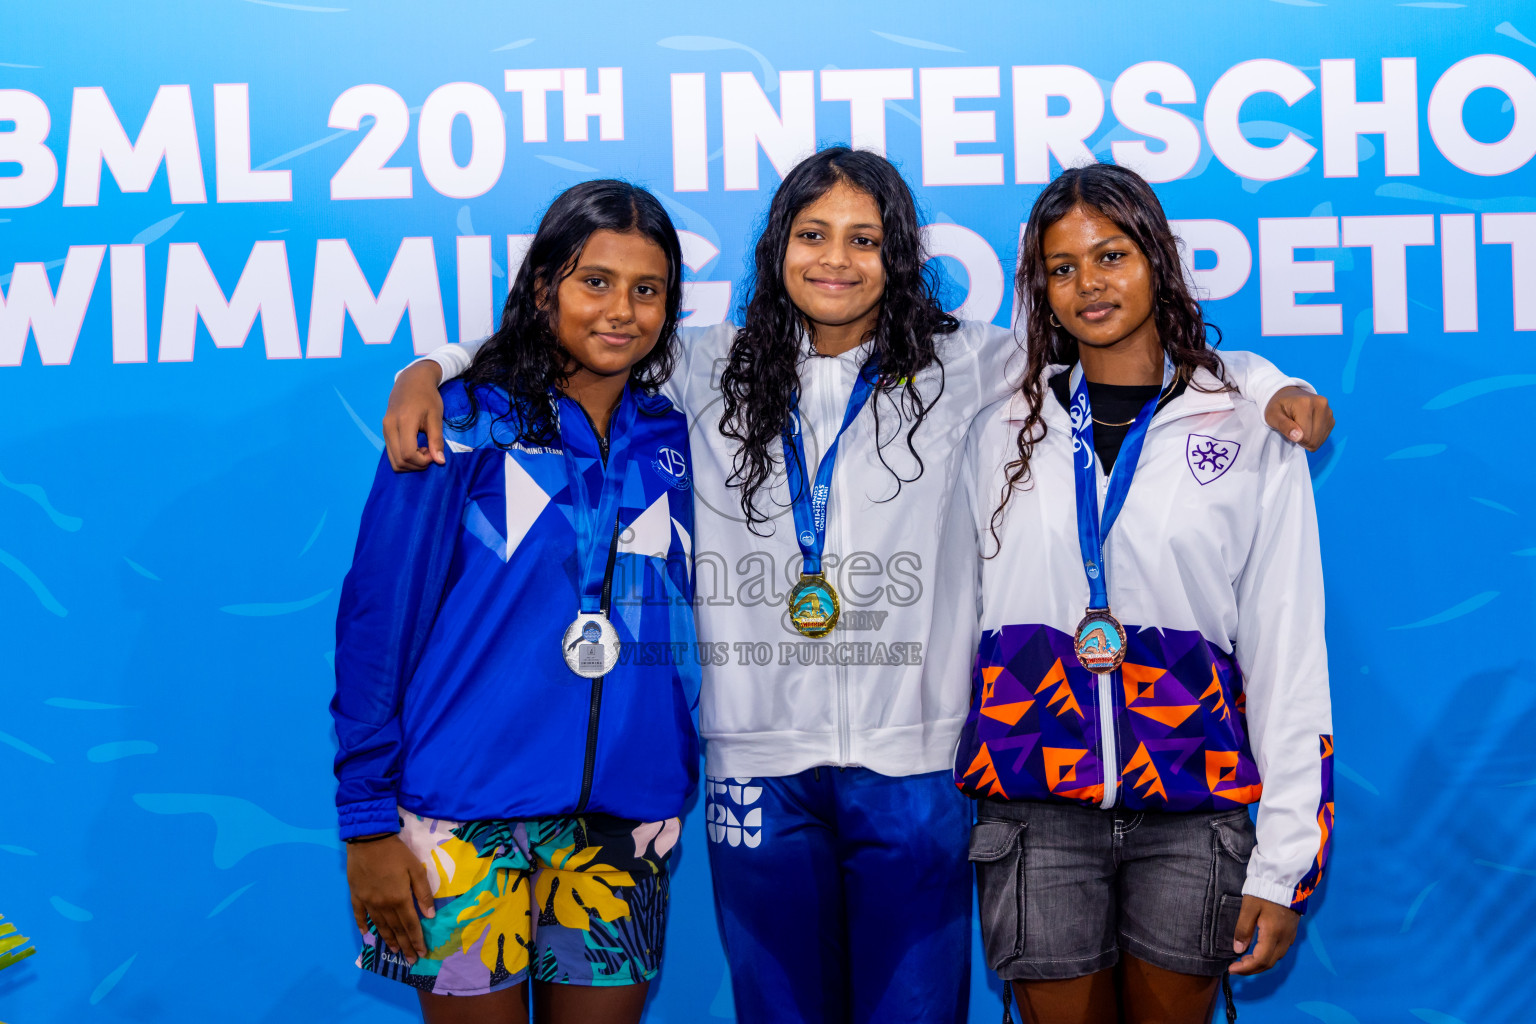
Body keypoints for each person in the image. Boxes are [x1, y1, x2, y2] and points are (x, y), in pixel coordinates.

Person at [383, 149, 1335, 1024]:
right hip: (756, 767)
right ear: (778, 247)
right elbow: (584, 329)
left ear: (898, 256)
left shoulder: (973, 364)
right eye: (813, 234)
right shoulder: (705, 363)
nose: (836, 259)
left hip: (915, 769)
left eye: (865, 239)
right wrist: (436, 367)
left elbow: (1130, 363)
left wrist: (1263, 386)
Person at [953, 163, 1333, 1024]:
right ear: (1040, 293)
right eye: (1062, 267)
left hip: (1193, 806)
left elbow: (1288, 651)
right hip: (1034, 806)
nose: (1089, 284)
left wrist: (1281, 864)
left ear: (1157, 259)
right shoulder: (999, 433)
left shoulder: (1247, 423)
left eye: (1112, 254)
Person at [332, 179, 700, 1024]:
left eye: (647, 290)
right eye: (594, 281)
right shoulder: (457, 423)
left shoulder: (681, 435)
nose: (622, 310)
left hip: (624, 823)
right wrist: (365, 821)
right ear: (544, 289)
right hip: (462, 822)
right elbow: (376, 625)